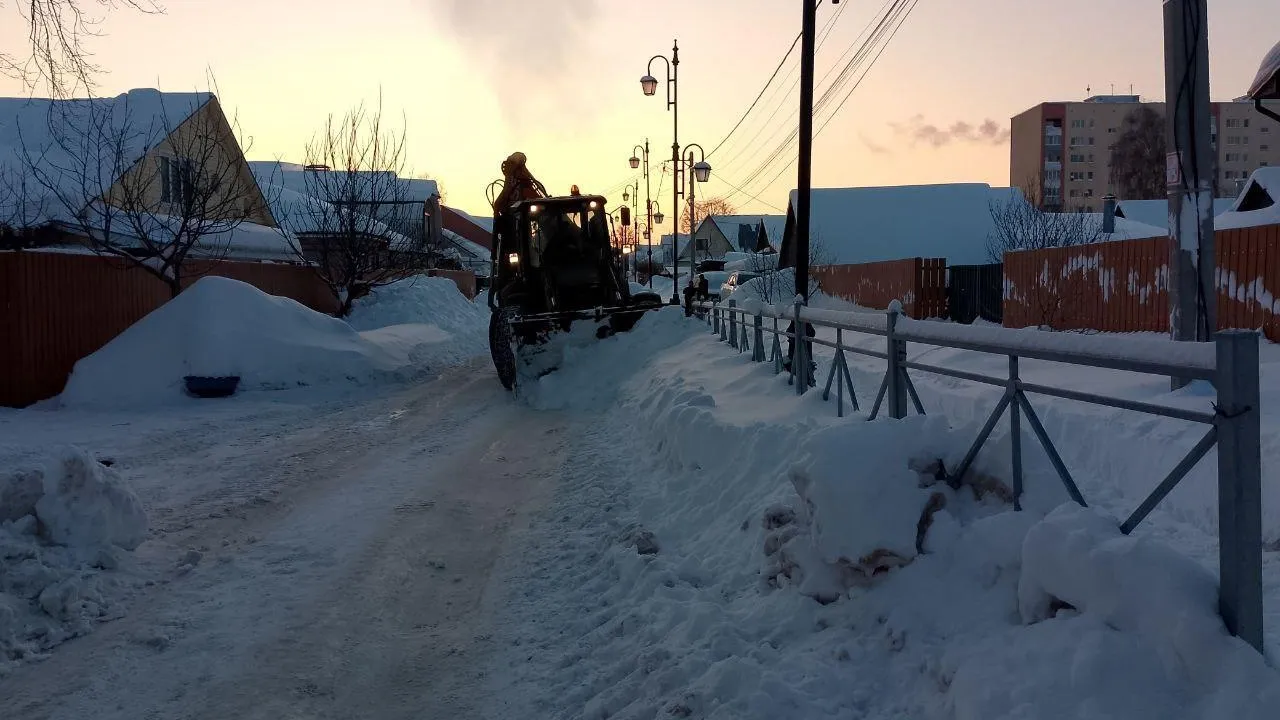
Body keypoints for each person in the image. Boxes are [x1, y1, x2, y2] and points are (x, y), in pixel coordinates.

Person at [783, 319, 817, 387]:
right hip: (800, 358)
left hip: (799, 358)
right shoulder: (801, 320)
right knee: (804, 377)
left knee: (802, 376)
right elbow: (811, 333)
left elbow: (811, 333)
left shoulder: (799, 321)